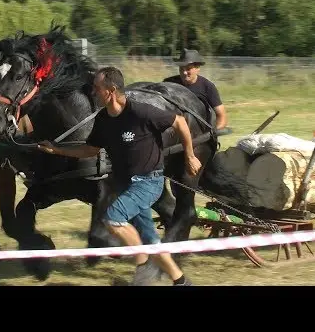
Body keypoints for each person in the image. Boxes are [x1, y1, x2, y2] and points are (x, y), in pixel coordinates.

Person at [37, 66, 200, 286]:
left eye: (97, 88)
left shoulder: (140, 111)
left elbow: (179, 121)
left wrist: (190, 155)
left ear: (111, 90)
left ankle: (143, 262)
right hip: (125, 185)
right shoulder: (104, 118)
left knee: (113, 218)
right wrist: (57, 150)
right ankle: (181, 281)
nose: (93, 92)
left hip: (148, 182)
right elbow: (91, 149)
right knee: (150, 239)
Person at [163, 48, 228, 130]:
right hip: (171, 131)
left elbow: (222, 116)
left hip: (198, 132)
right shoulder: (168, 84)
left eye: (188, 69)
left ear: (197, 68)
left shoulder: (207, 87)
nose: (184, 72)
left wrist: (213, 133)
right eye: (181, 69)